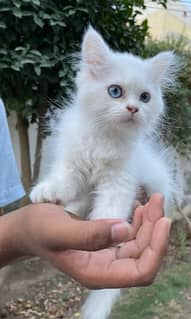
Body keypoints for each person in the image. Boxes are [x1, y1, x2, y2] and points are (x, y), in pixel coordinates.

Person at [0, 98, 171, 289]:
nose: (132, 105)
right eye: (115, 92)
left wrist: (21, 230)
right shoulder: (75, 128)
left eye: (145, 97)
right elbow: (71, 172)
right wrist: (24, 229)